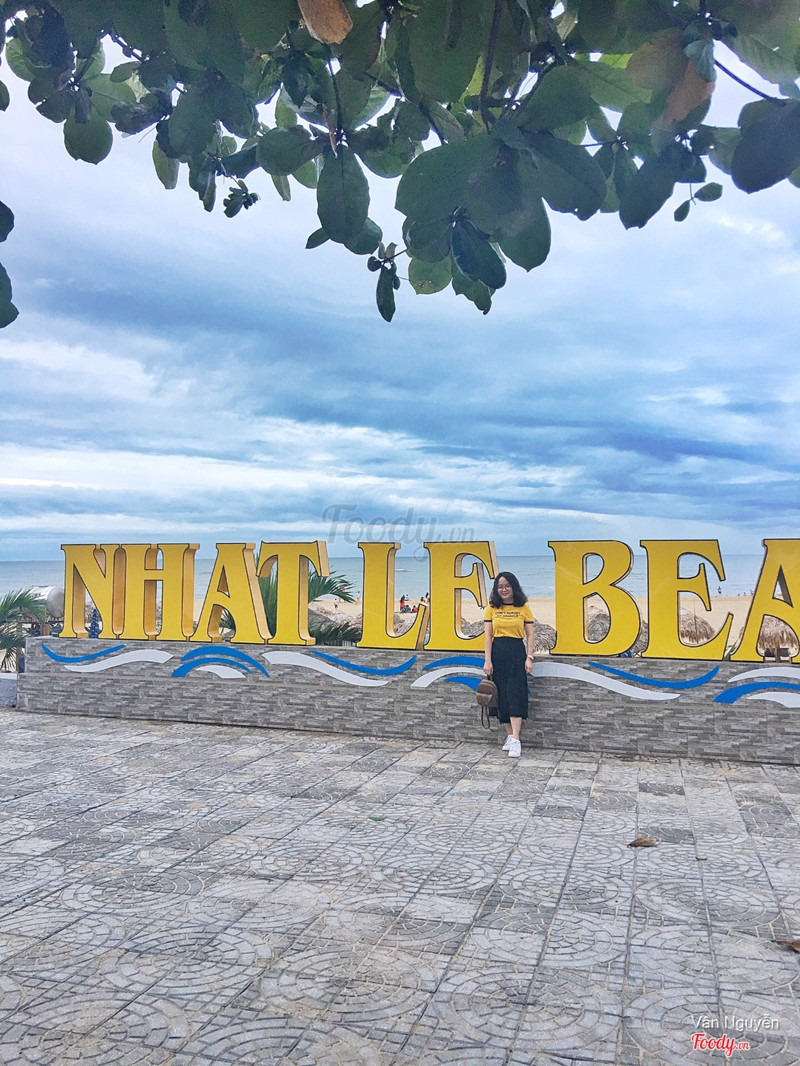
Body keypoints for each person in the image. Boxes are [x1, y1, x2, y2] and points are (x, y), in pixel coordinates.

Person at [483, 571, 535, 758]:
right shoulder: (491, 608)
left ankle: (516, 740)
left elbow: (530, 635)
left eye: (507, 586)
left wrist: (529, 657)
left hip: (516, 653)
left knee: (515, 694)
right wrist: (488, 660)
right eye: (500, 586)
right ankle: (510, 736)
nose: (504, 589)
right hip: (498, 653)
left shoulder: (523, 607)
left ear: (514, 587)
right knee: (501, 696)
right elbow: (488, 636)